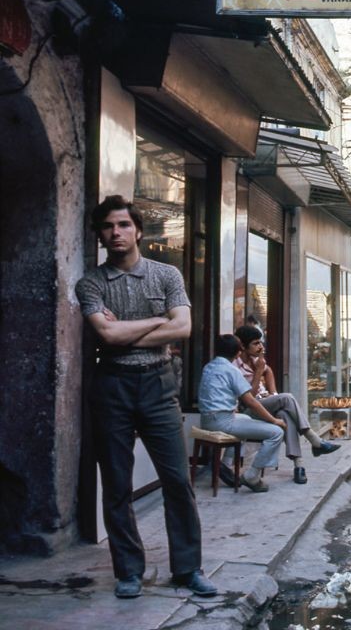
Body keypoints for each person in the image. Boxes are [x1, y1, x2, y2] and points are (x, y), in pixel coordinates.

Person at [75, 195, 216, 599]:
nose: (115, 233)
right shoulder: (91, 283)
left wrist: (132, 329)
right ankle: (128, 572)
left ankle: (188, 568)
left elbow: (183, 328)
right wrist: (159, 320)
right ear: (99, 234)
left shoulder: (167, 275)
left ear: (138, 230)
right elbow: (106, 335)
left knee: (176, 479)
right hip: (111, 386)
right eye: (107, 227)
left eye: (123, 225)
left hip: (158, 383)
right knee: (116, 483)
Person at [233, 326, 340, 484]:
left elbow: (268, 372)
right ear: (243, 346)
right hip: (249, 409)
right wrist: (258, 371)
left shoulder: (256, 360)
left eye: (261, 342)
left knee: (285, 415)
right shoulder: (236, 365)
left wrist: (273, 394)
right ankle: (314, 440)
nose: (261, 347)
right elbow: (249, 397)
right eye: (256, 343)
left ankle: (299, 466)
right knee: (288, 398)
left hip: (264, 403)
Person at [198, 334, 286, 492]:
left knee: (245, 418)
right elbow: (250, 401)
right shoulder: (232, 370)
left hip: (206, 420)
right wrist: (274, 420)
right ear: (238, 353)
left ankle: (224, 465)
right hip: (223, 421)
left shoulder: (208, 367)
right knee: (276, 433)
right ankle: (252, 475)